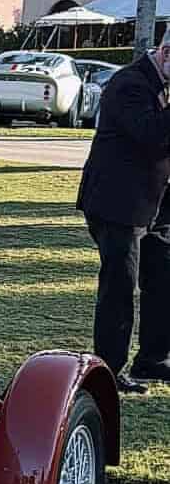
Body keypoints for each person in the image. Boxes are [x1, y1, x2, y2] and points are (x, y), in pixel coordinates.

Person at [76, 40, 170, 393]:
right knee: (119, 287)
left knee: (162, 280)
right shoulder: (129, 83)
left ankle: (153, 359)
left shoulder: (160, 84)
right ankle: (110, 369)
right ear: (166, 53)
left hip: (156, 202)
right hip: (117, 203)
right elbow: (150, 134)